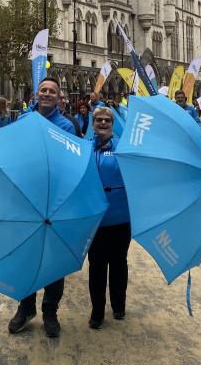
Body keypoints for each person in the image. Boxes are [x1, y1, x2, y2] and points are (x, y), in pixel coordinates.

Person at [10, 76, 80, 338]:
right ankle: (26, 307)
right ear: (36, 94)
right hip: (27, 199)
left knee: (54, 260)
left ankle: (50, 310)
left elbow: (69, 164)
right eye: (43, 90)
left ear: (59, 97)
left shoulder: (67, 126)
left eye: (52, 91)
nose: (47, 94)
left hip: (55, 201)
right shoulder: (24, 121)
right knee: (26, 257)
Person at [88, 107, 131, 330]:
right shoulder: (86, 148)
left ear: (112, 124)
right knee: (96, 267)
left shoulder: (122, 147)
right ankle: (97, 311)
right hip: (95, 220)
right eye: (98, 120)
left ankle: (118, 305)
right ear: (93, 123)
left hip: (121, 218)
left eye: (106, 120)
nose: (103, 123)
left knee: (118, 264)